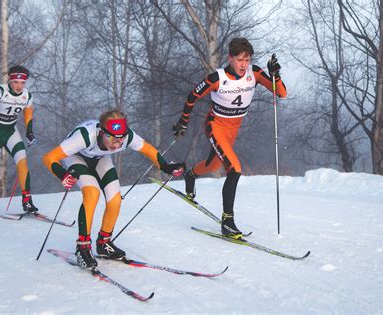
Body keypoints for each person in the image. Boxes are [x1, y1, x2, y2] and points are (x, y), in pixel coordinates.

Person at [172, 37, 287, 239]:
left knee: (213, 165)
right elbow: (191, 97)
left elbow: (282, 93)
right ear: (230, 58)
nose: (244, 65)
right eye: (240, 59)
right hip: (215, 125)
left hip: (233, 129)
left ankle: (190, 175)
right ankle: (228, 221)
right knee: (234, 168)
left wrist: (275, 74)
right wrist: (183, 121)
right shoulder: (217, 78)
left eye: (247, 59)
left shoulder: (255, 73)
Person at [43, 109, 185, 268]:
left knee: (115, 199)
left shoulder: (127, 136)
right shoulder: (85, 136)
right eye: (111, 138)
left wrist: (166, 167)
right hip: (76, 157)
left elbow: (148, 150)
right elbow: (49, 157)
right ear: (101, 132)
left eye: (120, 139)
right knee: (92, 193)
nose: (116, 144)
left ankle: (103, 243)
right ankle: (82, 247)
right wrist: (63, 174)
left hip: (100, 158)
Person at [0, 65, 38, 213]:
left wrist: (29, 131)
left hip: (10, 132)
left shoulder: (27, 96)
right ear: (10, 81)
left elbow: (28, 111)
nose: (19, 86)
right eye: (15, 82)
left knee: (22, 161)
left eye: (22, 83)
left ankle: (27, 200)